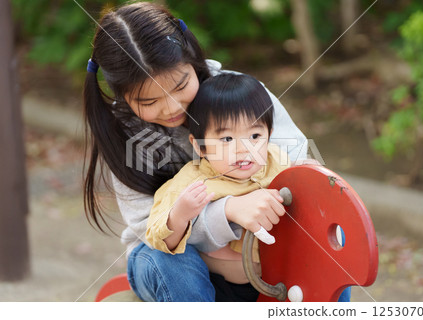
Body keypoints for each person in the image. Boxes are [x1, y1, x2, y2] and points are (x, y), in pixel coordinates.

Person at [83, 2, 354, 302]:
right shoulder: (124, 135)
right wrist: (227, 212)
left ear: (191, 58)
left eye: (181, 85)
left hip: (259, 252)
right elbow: (151, 228)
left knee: (324, 241)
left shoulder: (241, 95)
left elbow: (302, 171)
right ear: (123, 95)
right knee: (171, 262)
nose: (172, 107)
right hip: (168, 255)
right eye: (149, 101)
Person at [145, 73, 289, 301]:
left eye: (254, 135)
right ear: (200, 147)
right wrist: (180, 215)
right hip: (223, 289)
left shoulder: (277, 161)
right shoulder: (193, 182)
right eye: (227, 139)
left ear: (269, 135)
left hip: (279, 280)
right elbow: (157, 237)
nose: (243, 149)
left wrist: (309, 174)